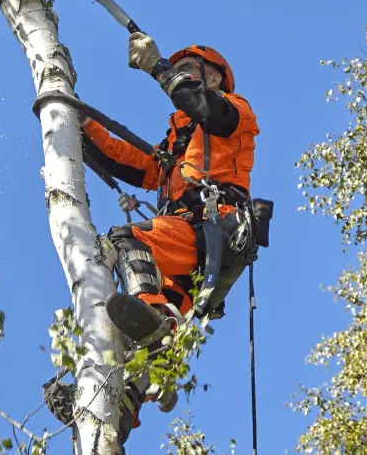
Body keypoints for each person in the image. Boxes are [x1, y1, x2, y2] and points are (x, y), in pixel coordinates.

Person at [45, 31, 259, 445]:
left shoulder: (233, 112)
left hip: (212, 226)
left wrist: (159, 67)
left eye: (189, 69)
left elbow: (204, 107)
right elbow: (126, 160)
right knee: (134, 354)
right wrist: (80, 120)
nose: (181, 74)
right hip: (183, 251)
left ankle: (154, 322)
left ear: (214, 78)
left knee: (127, 239)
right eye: (179, 70)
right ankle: (106, 413)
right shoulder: (175, 148)